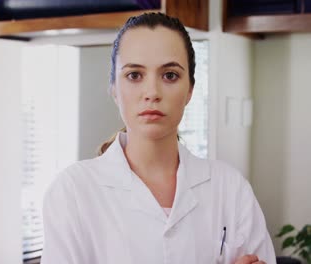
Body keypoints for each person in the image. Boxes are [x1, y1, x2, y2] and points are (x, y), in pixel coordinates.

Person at [41, 12, 276, 264]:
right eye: (134, 75)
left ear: (190, 90)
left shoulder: (230, 189)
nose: (152, 92)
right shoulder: (72, 192)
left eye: (170, 75)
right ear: (113, 89)